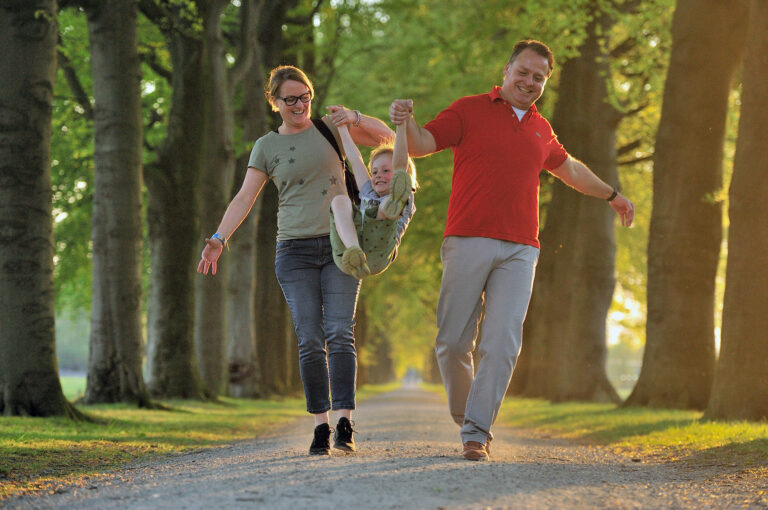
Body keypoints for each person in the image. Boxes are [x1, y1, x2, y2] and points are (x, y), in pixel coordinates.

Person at [389, 39, 635, 461]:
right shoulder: (469, 109)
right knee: (452, 342)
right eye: (523, 71)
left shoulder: (542, 129)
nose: (530, 81)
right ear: (507, 70)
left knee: (502, 343)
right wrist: (403, 122)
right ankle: (468, 415)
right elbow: (422, 144)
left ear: (546, 83)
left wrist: (611, 194)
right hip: (467, 238)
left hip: (522, 249)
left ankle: (476, 431)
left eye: (539, 77)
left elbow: (570, 168)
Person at [198, 65, 392, 456]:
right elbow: (244, 196)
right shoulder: (265, 147)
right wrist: (220, 237)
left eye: (305, 96)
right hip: (294, 251)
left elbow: (386, 136)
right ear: (274, 102)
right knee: (309, 338)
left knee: (339, 332)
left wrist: (352, 117)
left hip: (342, 245)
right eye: (290, 99)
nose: (300, 104)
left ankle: (345, 422)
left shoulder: (329, 128)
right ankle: (320, 426)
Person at [328, 115, 417, 280]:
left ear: (402, 173)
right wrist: (341, 128)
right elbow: (355, 159)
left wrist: (401, 126)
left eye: (386, 171)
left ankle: (391, 206)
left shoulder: (405, 195)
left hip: (380, 251)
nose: (378, 176)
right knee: (339, 200)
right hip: (349, 255)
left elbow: (401, 159)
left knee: (383, 211)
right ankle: (354, 249)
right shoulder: (368, 191)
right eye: (374, 172)